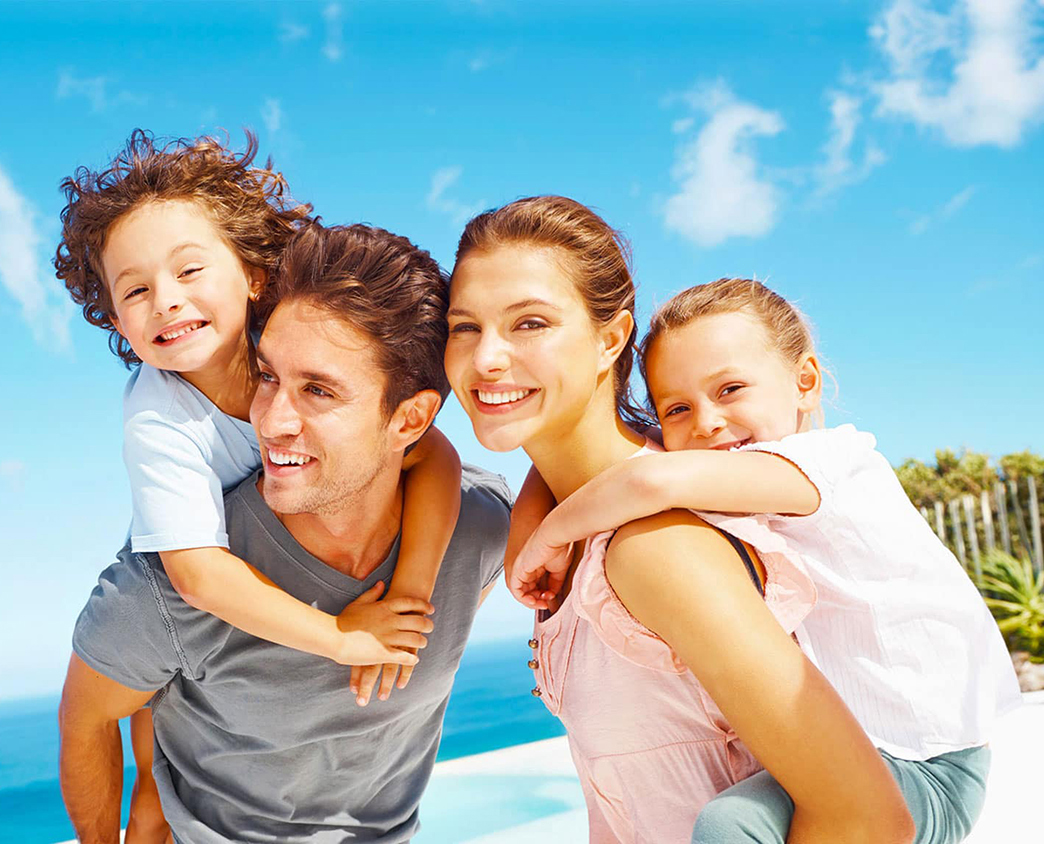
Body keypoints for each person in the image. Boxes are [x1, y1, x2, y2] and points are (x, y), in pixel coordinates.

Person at [443, 195, 914, 844]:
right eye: (464, 327)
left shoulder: (656, 547)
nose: (486, 357)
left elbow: (868, 818)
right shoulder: (562, 526)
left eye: (529, 323)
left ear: (611, 339)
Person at [508, 276, 1022, 843]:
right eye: (677, 408)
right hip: (876, 751)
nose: (705, 421)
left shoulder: (833, 462)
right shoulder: (735, 474)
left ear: (804, 381)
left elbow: (645, 476)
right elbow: (606, 462)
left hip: (926, 764)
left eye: (730, 390)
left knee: (730, 826)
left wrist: (546, 538)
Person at [55, 132, 461, 839]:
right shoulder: (158, 418)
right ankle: (154, 781)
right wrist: (340, 638)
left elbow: (433, 454)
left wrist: (411, 590)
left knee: (172, 683)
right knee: (163, 672)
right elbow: (199, 579)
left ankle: (157, 777)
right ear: (115, 318)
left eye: (189, 271)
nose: (166, 302)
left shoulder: (302, 339)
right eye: (136, 290)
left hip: (230, 548)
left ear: (252, 273)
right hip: (188, 548)